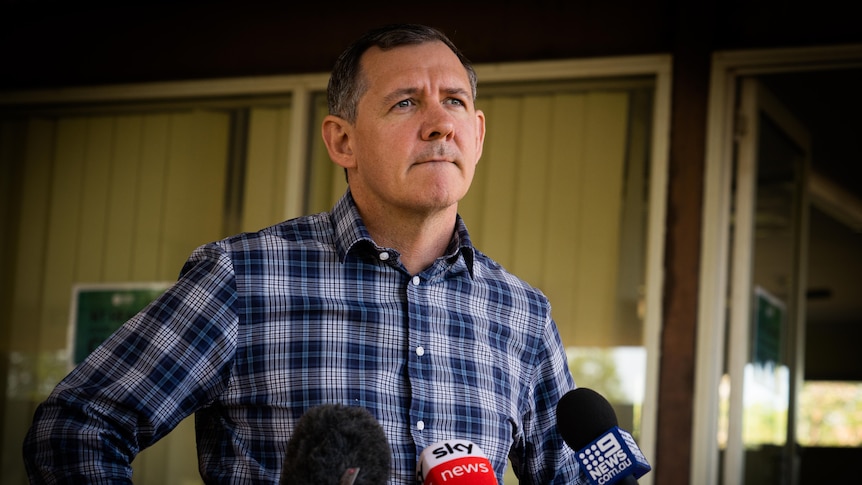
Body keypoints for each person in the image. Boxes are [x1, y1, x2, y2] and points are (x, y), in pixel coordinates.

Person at [23, 23, 581, 484]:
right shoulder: (241, 279)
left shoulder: (523, 315)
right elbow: (76, 428)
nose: (439, 125)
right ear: (343, 140)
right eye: (406, 102)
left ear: (477, 135)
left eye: (454, 102)